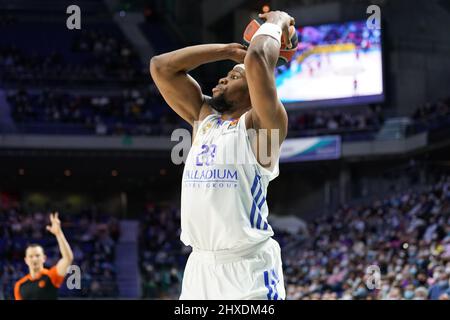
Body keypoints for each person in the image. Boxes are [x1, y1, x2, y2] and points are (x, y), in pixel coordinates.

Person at [150, 10, 295, 299]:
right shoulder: (204, 118)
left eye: (232, 76)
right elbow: (161, 67)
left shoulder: (263, 127)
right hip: (199, 268)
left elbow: (256, 62)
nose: (222, 79)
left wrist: (276, 22)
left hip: (248, 268)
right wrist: (227, 51)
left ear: (254, 90)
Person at [14, 212, 74, 300]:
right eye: (31, 256)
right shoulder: (19, 285)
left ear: (44, 258)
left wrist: (59, 234)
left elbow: (68, 259)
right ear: (26, 260)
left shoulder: (51, 276)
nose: (34, 259)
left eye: (37, 255)